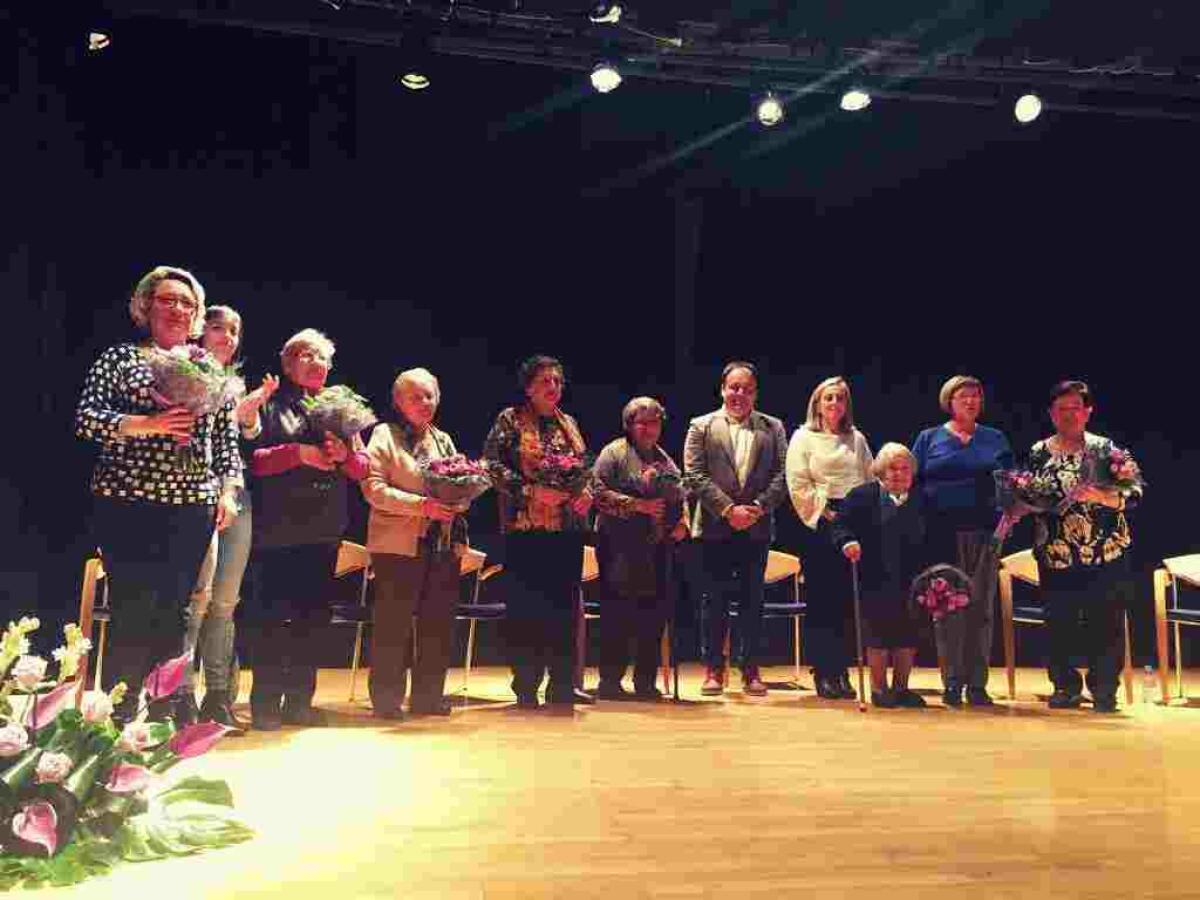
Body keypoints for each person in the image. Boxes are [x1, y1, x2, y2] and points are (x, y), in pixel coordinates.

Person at [75, 266, 241, 722]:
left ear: (196, 314)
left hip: (193, 507)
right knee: (133, 606)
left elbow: (227, 444)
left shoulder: (210, 368)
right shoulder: (120, 359)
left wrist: (227, 492)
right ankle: (120, 712)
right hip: (127, 502)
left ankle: (166, 711)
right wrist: (147, 425)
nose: (177, 309)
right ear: (146, 306)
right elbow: (86, 420)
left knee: (174, 613)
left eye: (186, 303)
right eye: (166, 300)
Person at [243, 328, 369, 730]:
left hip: (323, 529)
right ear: (288, 363)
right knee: (270, 621)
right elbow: (254, 461)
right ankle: (265, 705)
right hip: (275, 531)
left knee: (313, 620)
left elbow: (363, 469)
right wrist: (299, 454)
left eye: (322, 357)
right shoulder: (270, 404)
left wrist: (344, 455)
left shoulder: (341, 409)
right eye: (306, 355)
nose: (316, 363)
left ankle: (300, 703)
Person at [184, 305, 279, 732]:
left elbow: (250, 437)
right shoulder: (182, 373)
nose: (228, 336)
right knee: (194, 603)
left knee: (225, 602)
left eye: (235, 331)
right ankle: (180, 697)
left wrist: (252, 410)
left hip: (235, 496)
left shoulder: (235, 383)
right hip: (191, 497)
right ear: (201, 331)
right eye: (220, 328)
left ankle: (218, 699)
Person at [483, 355, 594, 708]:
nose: (553, 387)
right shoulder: (511, 420)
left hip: (566, 531)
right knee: (527, 608)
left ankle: (562, 684)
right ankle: (527, 685)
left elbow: (584, 468)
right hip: (526, 530)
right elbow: (491, 466)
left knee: (563, 609)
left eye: (558, 381)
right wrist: (531, 491)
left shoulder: (570, 423)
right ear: (529, 387)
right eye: (545, 381)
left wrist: (586, 493)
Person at [1028, 380, 1143, 713]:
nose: (1068, 414)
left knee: (1105, 622)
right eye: (1061, 409)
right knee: (1059, 622)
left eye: (1075, 408)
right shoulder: (1038, 452)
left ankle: (1105, 689)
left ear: (1088, 411)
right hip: (1056, 550)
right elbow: (1029, 492)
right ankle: (1064, 686)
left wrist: (1101, 496)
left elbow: (1135, 492)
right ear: (1051, 413)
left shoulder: (1106, 449)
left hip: (1105, 551)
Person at [362, 368, 470, 719]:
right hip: (397, 543)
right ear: (398, 402)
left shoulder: (444, 440)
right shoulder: (384, 434)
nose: (423, 402)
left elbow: (462, 486)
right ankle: (387, 699)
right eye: (414, 396)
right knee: (393, 625)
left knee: (437, 624)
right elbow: (373, 489)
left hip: (441, 544)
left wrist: (460, 500)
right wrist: (421, 506)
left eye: (429, 395)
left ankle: (428, 697)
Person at [683, 361, 788, 697]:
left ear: (755, 392)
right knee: (712, 600)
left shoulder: (773, 427)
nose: (739, 394)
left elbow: (784, 475)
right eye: (734, 387)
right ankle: (714, 669)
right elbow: (695, 475)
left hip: (756, 527)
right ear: (723, 389)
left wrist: (757, 508)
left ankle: (750, 670)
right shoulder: (701, 426)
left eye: (746, 388)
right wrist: (728, 510)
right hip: (715, 527)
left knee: (752, 602)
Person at [911, 375, 1014, 707]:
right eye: (963, 396)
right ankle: (952, 682)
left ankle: (978, 684)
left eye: (975, 396)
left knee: (981, 610)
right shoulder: (929, 439)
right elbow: (911, 483)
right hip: (941, 535)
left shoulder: (995, 438)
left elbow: (1012, 484)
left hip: (986, 534)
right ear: (949, 401)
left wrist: (1008, 517)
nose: (970, 402)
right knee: (947, 608)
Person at [591, 397, 689, 700]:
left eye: (654, 422)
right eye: (642, 422)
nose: (648, 428)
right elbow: (596, 492)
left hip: (655, 547)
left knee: (653, 615)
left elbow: (680, 493)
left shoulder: (664, 459)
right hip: (617, 544)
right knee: (617, 614)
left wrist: (682, 520)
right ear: (629, 425)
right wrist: (638, 505)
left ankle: (645, 681)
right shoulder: (613, 453)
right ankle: (610, 681)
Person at [784, 376, 873, 700]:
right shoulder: (803, 437)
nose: (835, 404)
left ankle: (843, 670)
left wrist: (858, 513)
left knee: (849, 600)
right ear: (817, 404)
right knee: (823, 601)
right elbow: (797, 482)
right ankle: (824, 670)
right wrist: (827, 514)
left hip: (854, 520)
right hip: (821, 521)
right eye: (829, 398)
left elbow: (868, 477)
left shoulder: (857, 438)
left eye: (840, 399)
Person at [831, 443, 929, 709]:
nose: (898, 474)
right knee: (878, 633)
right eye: (892, 469)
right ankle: (878, 688)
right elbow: (840, 525)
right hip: (874, 576)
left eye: (904, 468)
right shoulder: (862, 496)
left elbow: (935, 536)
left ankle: (901, 688)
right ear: (880, 472)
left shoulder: (923, 499)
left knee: (907, 634)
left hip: (912, 579)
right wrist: (848, 541)